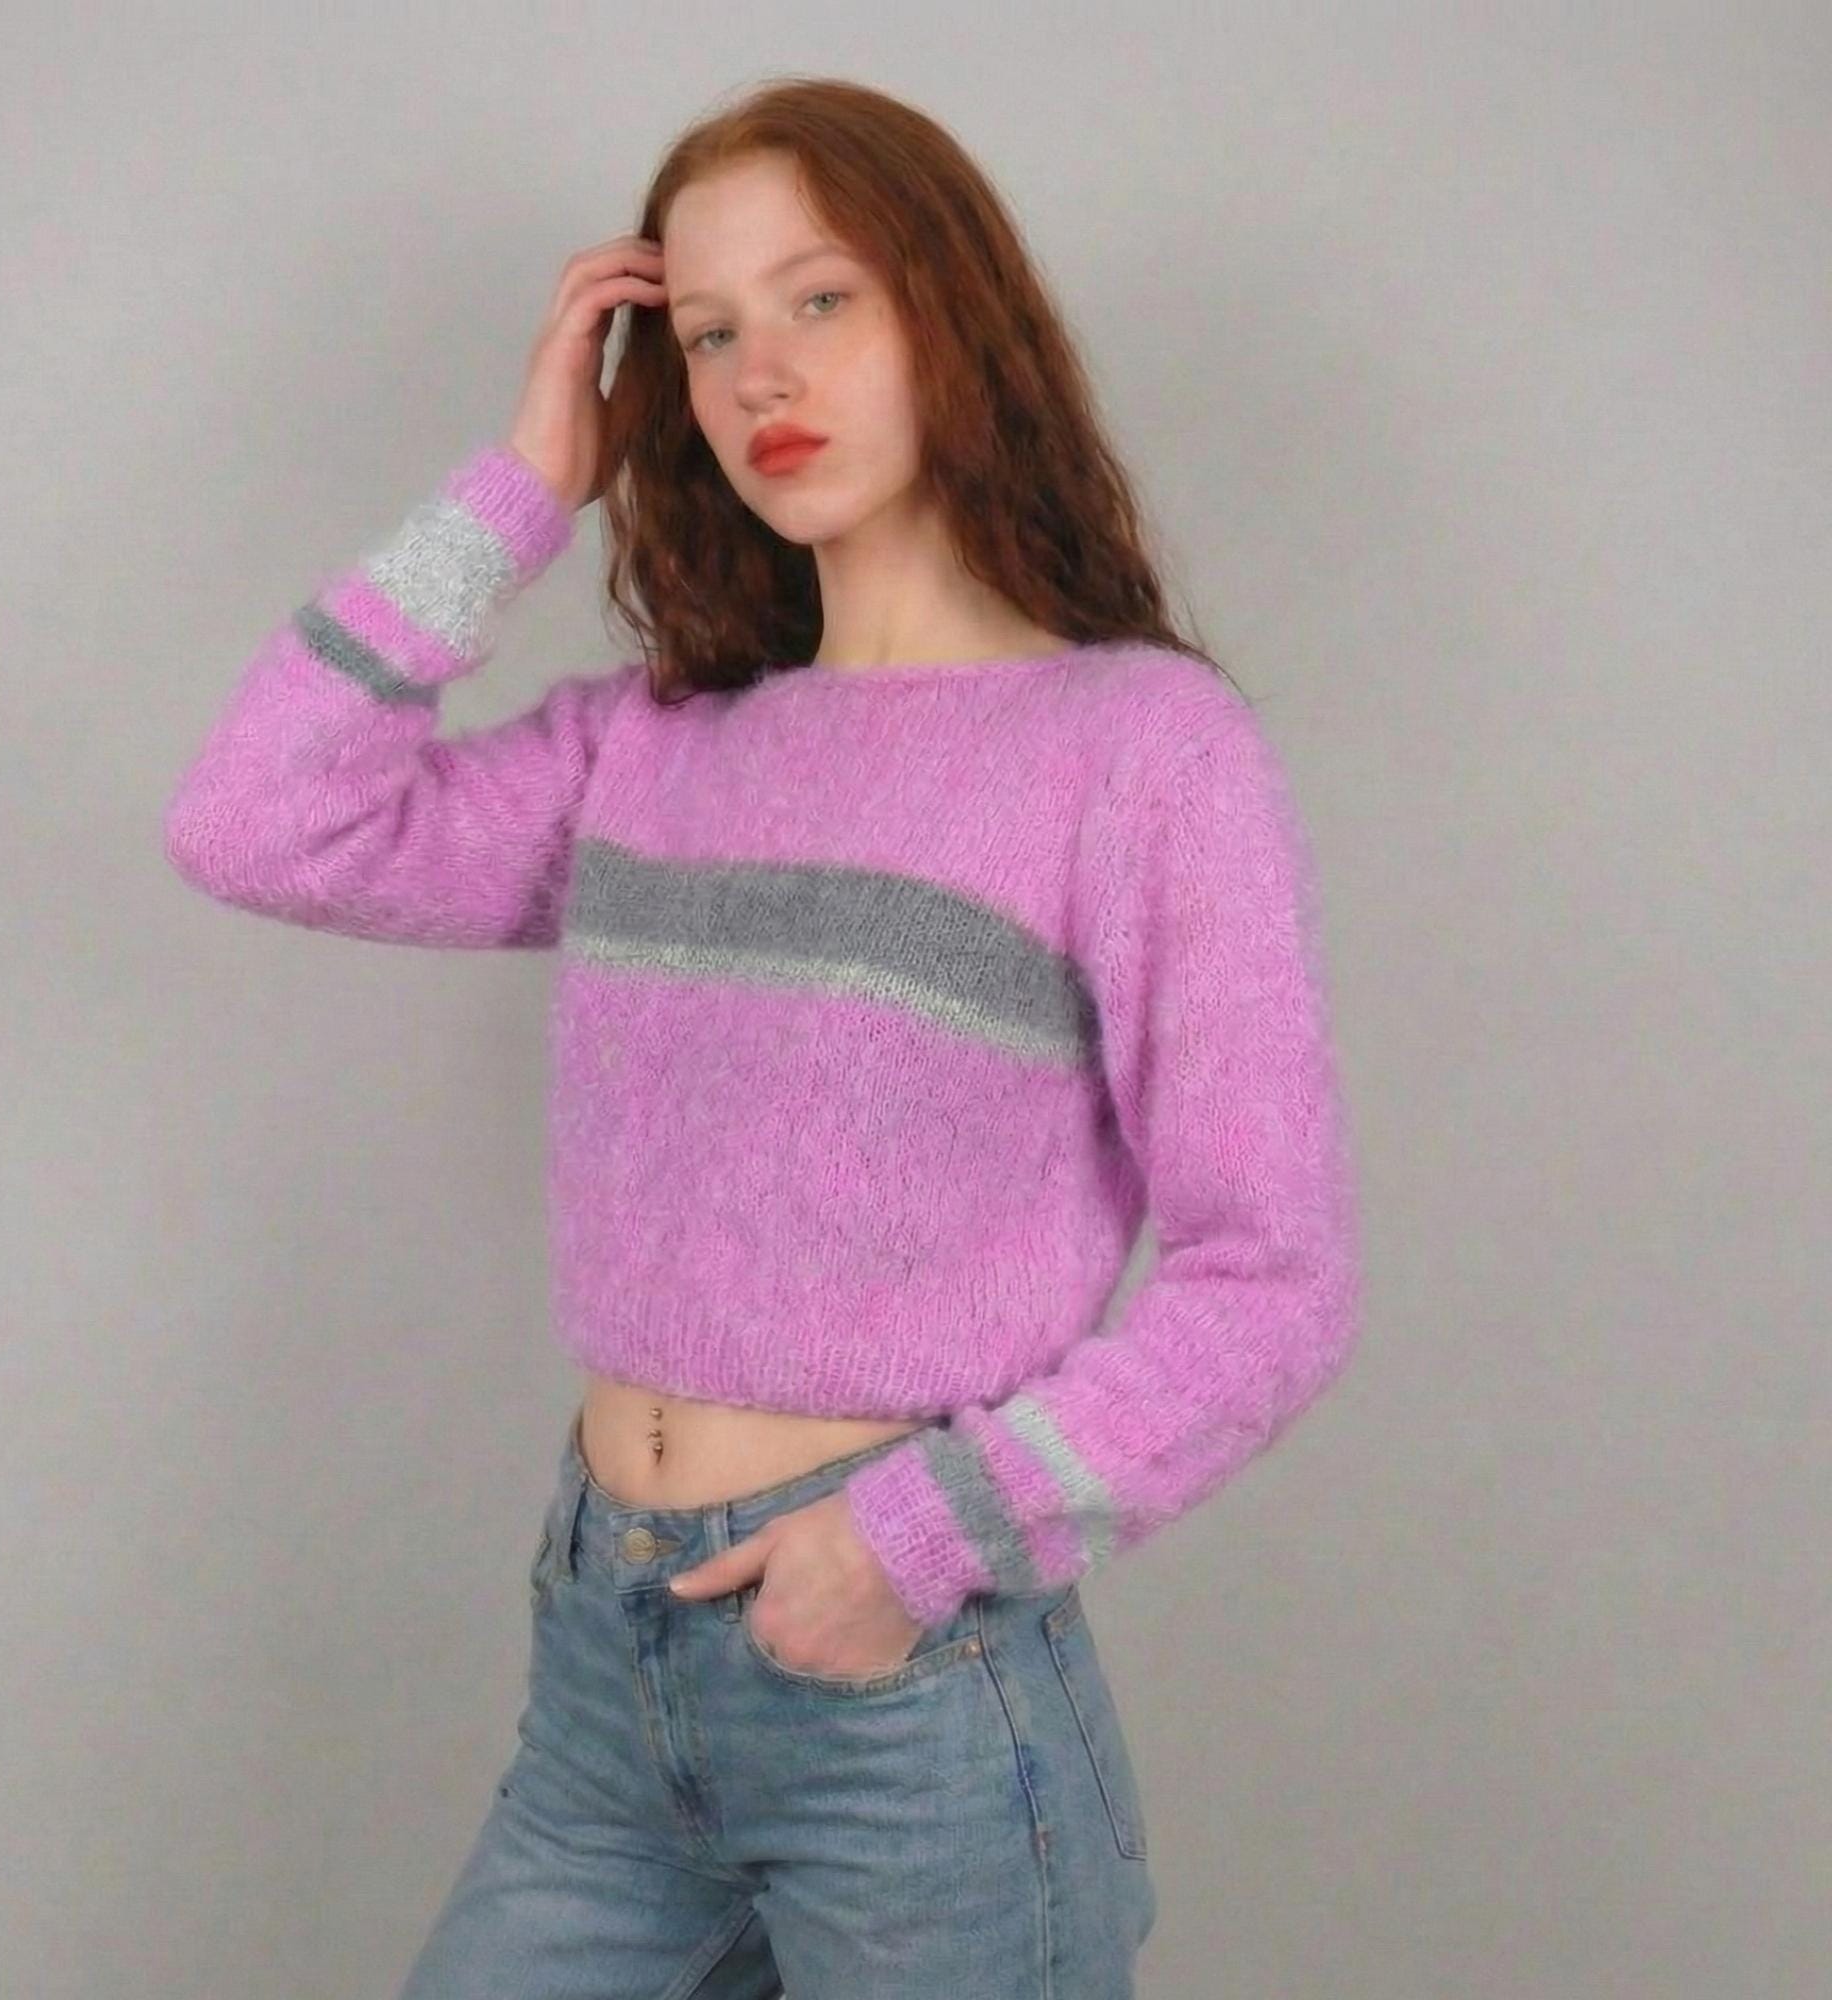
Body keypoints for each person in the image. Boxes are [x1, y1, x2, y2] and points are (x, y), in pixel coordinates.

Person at [164, 72, 1361, 2000]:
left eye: (822, 300)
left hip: (909, 1690)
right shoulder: (655, 742)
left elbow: (1273, 1277)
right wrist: (524, 485)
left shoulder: (1140, 751)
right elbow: (258, 823)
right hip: (604, 1672)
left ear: (954, 312)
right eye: (708, 335)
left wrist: (918, 1540)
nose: (759, 377)